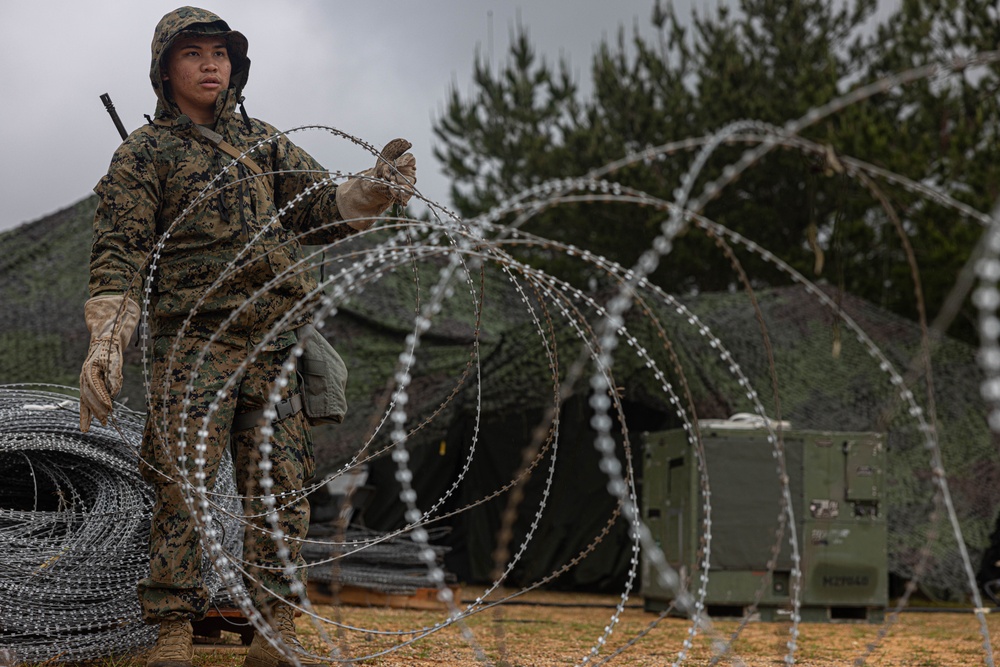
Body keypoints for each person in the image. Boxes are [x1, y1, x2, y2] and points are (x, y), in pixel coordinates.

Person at [77, 7, 416, 667]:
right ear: (165, 69)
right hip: (196, 341)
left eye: (220, 54)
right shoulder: (144, 155)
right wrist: (107, 340)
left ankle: (273, 625)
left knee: (280, 485)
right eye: (194, 54)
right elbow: (121, 250)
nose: (210, 65)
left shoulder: (264, 143)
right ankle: (173, 625)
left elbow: (321, 205)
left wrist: (375, 189)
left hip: (274, 338)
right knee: (184, 484)